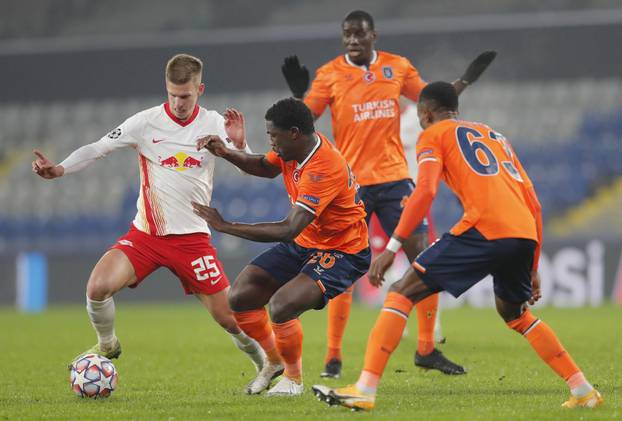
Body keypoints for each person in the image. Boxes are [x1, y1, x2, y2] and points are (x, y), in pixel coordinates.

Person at [312, 81, 604, 410]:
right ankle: (583, 390)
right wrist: (533, 266)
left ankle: (365, 389)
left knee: (401, 291)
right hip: (523, 230)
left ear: (425, 113)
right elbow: (534, 204)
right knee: (515, 314)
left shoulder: (432, 135)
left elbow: (424, 192)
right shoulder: (495, 136)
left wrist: (392, 247)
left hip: (484, 227)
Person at [281, 9, 496, 377]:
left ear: (373, 36)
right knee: (342, 266)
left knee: (425, 259)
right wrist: (298, 95)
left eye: (359, 34)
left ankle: (426, 348)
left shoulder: (397, 67)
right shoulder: (330, 74)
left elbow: (432, 100)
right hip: (351, 185)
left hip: (396, 178)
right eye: (347, 34)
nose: (352, 40)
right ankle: (333, 356)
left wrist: (464, 80)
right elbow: (303, 123)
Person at [31, 53, 265, 374]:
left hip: (192, 240)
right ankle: (108, 344)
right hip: (146, 237)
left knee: (230, 319)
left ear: (200, 89)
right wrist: (59, 169)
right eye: (172, 95)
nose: (178, 102)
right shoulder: (145, 122)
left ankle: (265, 365)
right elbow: (98, 148)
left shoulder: (213, 123)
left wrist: (240, 146)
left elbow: (250, 171)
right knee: (97, 288)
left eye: (185, 96)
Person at [191, 98, 371, 396]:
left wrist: (227, 226)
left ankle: (293, 381)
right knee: (241, 297)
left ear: (295, 133)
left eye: (274, 135)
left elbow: (289, 228)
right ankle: (274, 361)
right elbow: (263, 166)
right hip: (306, 243)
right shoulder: (292, 152)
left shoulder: (323, 167)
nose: (271, 141)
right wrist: (225, 152)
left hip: (343, 251)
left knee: (282, 305)